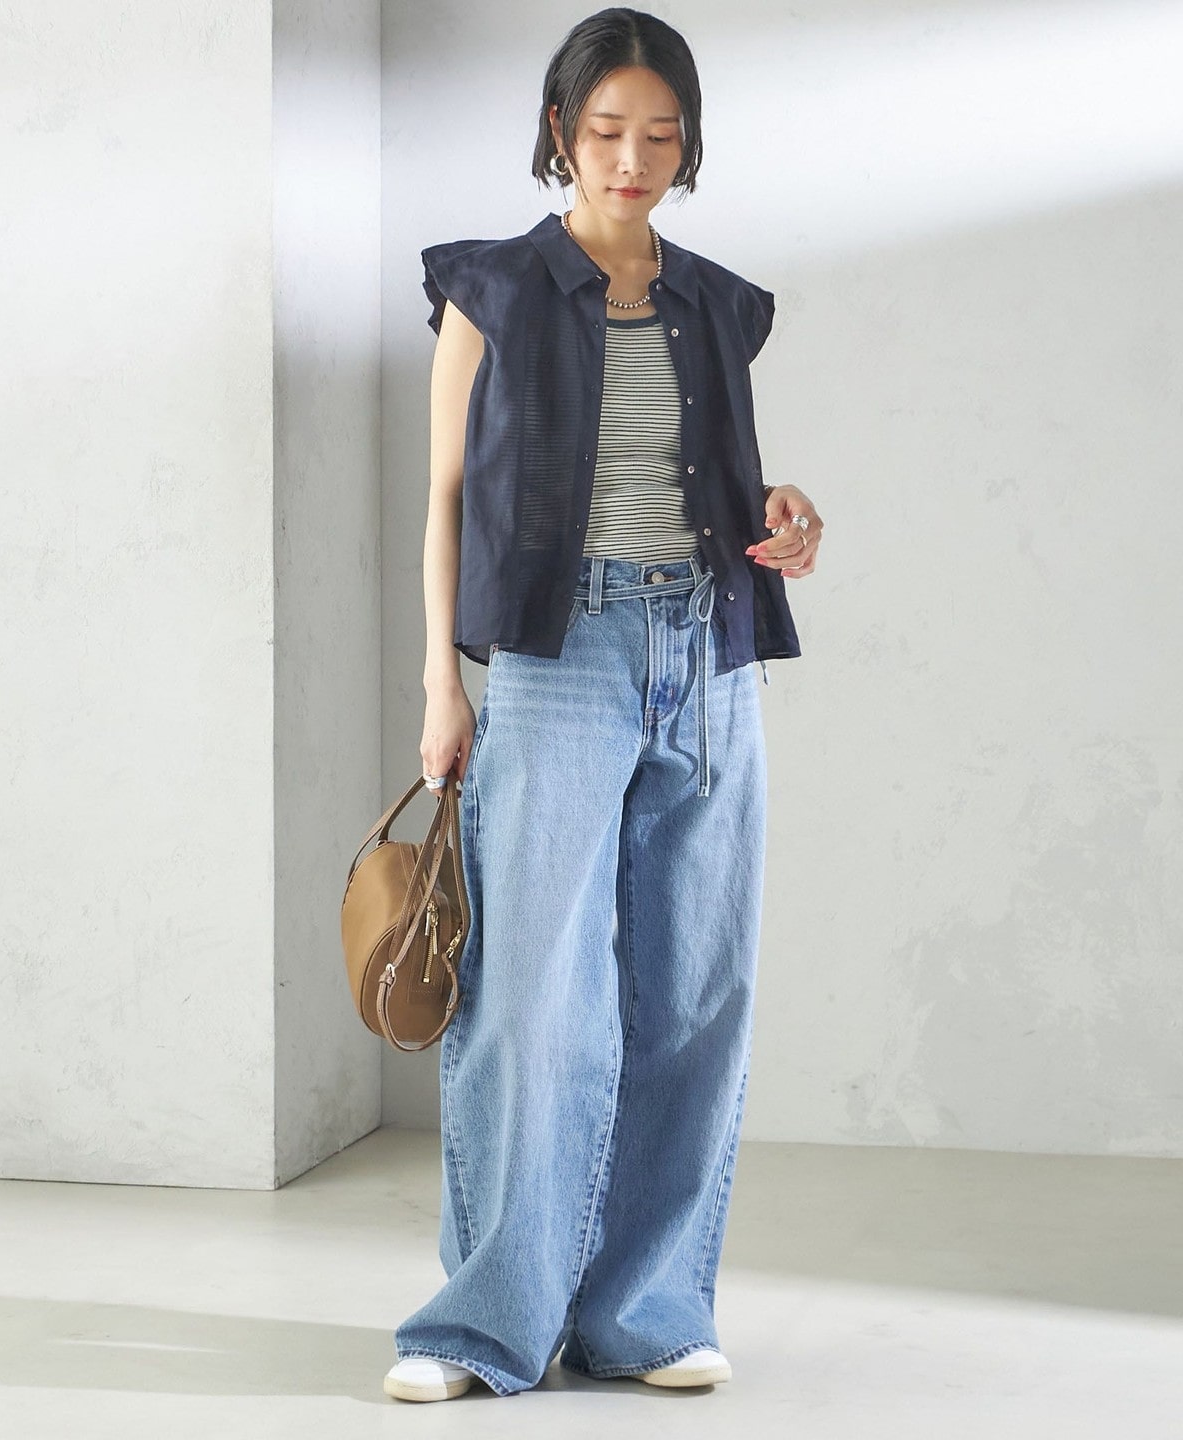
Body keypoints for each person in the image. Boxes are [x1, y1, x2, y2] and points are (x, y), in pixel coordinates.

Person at [384, 6, 824, 1404]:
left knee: (693, 998)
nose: (633, 160)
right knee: (530, 1003)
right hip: (559, 659)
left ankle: (649, 1314)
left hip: (711, 657)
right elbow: (445, 497)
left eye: (661, 136)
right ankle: (480, 1327)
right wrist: (441, 683)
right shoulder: (491, 289)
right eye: (607, 132)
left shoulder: (720, 303)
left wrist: (785, 515)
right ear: (560, 133)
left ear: (689, 145)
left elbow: (712, 484)